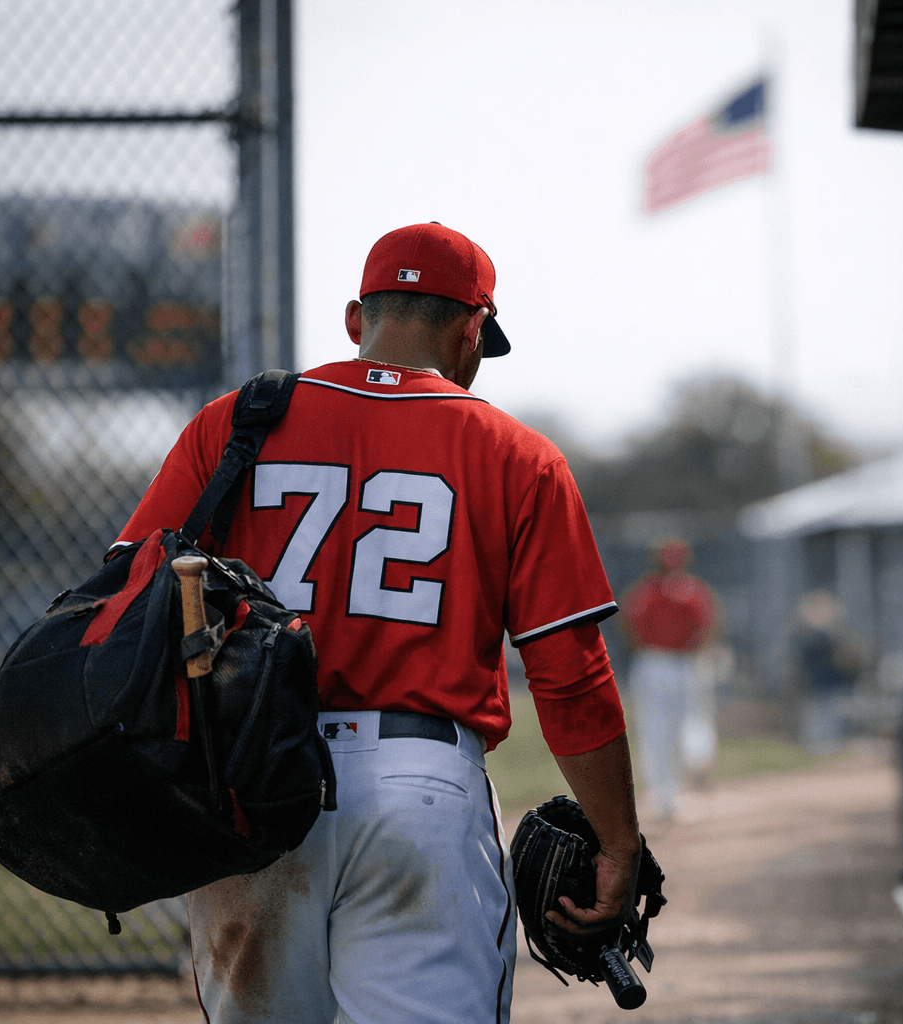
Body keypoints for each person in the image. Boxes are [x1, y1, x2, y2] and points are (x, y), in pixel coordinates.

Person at [112, 222, 639, 1024]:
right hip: (417, 789)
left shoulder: (235, 422)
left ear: (357, 321)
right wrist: (618, 843)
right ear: (472, 330)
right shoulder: (517, 455)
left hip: (249, 783)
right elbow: (571, 674)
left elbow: (126, 597)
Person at [619, 537, 719, 820]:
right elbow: (707, 628)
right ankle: (692, 766)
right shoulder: (694, 591)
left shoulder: (642, 592)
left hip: (651, 663)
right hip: (683, 663)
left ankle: (664, 795)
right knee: (689, 721)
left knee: (655, 731)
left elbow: (629, 626)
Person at [789, 589, 864, 754]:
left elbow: (853, 665)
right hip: (814, 697)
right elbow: (797, 674)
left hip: (837, 695)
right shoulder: (804, 637)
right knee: (815, 743)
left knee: (833, 742)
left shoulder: (840, 636)